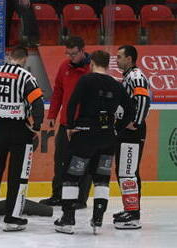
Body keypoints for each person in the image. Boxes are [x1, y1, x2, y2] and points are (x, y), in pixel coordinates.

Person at [54, 50, 135, 235]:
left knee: (72, 178)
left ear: (91, 64)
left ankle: (67, 219)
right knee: (102, 179)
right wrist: (118, 128)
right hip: (107, 137)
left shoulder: (85, 80)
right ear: (107, 65)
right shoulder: (116, 85)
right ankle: (97, 220)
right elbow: (131, 110)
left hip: (85, 136)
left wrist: (71, 126)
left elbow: (72, 103)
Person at [0, 46, 44, 231]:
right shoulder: (27, 77)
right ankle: (12, 218)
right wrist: (36, 126)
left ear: (9, 56)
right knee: (18, 175)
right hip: (20, 129)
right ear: (25, 59)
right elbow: (38, 104)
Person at [39, 36, 92, 208]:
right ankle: (57, 195)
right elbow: (58, 92)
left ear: (83, 50)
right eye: (68, 54)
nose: (71, 57)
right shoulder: (64, 66)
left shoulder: (91, 70)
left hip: (85, 125)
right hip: (65, 123)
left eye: (74, 54)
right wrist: (52, 115)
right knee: (60, 160)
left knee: (82, 162)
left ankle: (80, 199)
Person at [113, 45, 151, 229]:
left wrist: (135, 123)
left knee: (128, 171)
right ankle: (130, 208)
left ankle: (133, 214)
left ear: (129, 58)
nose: (117, 59)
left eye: (119, 56)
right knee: (125, 171)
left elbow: (144, 99)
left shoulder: (136, 76)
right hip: (127, 131)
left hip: (132, 132)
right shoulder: (129, 76)